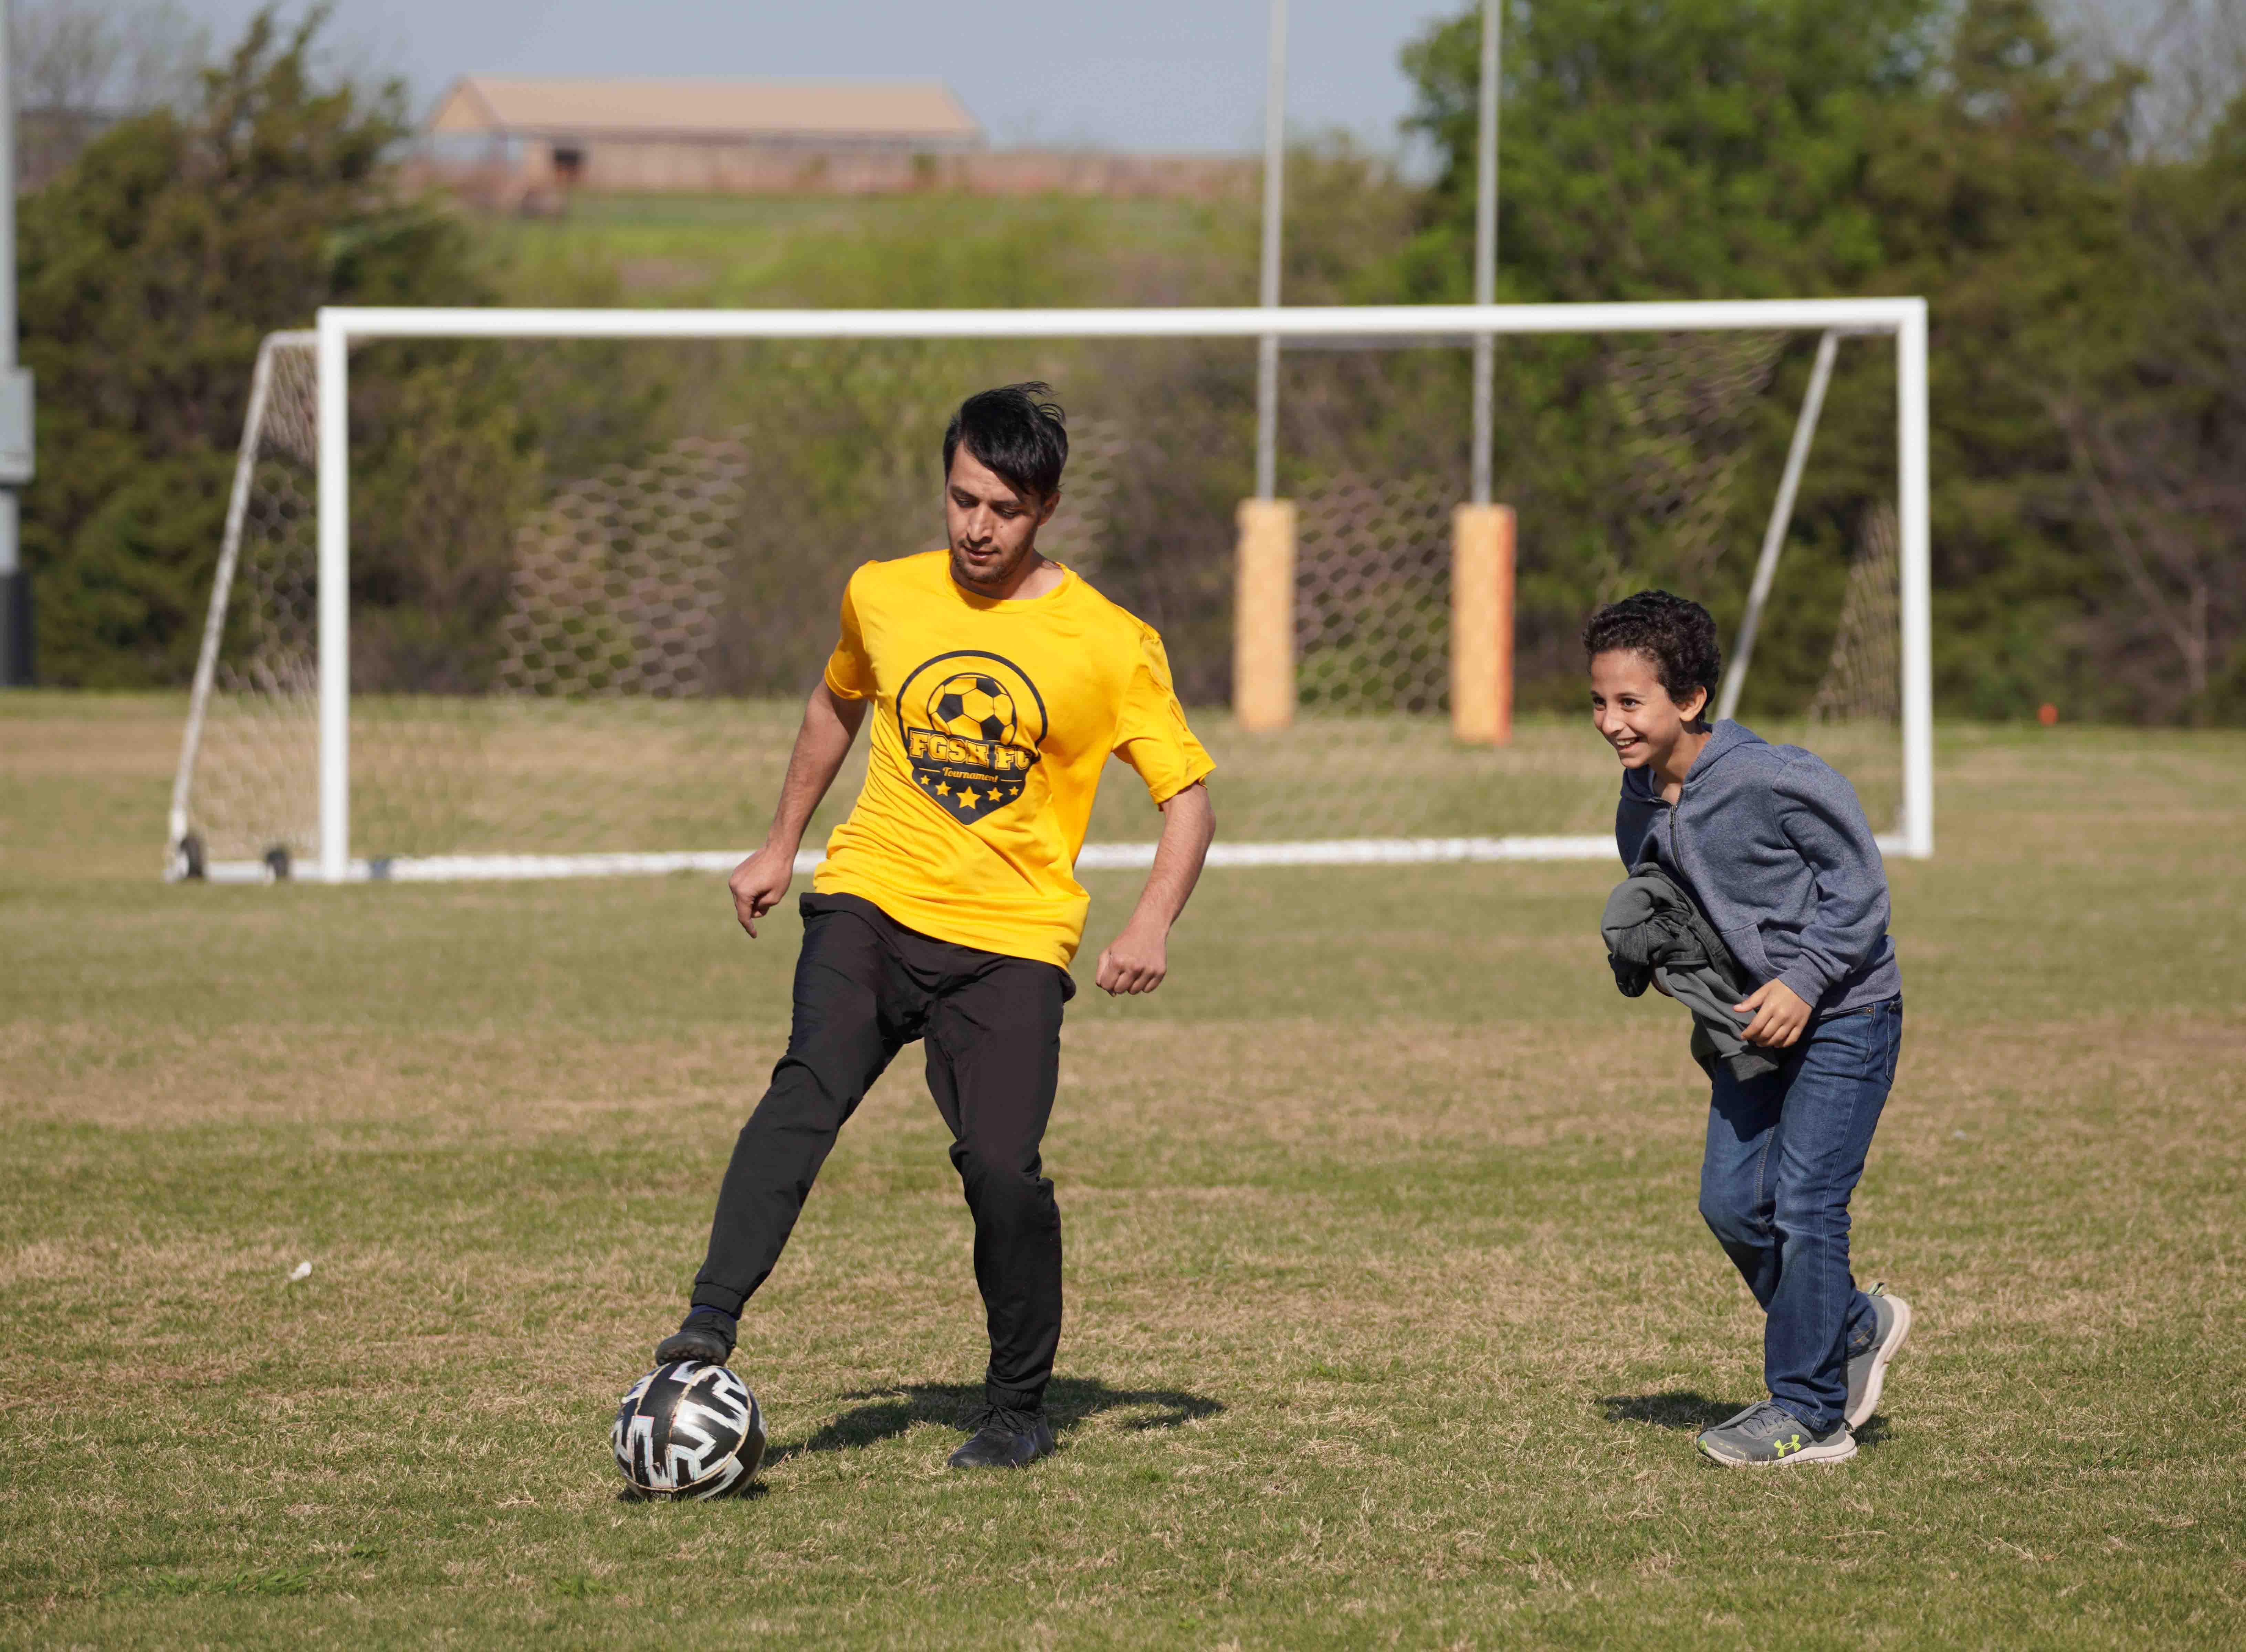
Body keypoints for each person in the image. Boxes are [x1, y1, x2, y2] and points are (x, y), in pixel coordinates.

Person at [653, 383, 1217, 1471]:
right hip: (871, 898)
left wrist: (1150, 925)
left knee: (1002, 1167)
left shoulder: (1110, 642)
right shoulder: (882, 594)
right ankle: (704, 1331)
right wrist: (780, 843)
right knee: (804, 1091)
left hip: (1010, 940)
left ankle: (1013, 1411)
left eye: (1002, 508)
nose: (974, 527)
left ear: (1044, 506)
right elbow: (837, 700)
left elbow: (1186, 799)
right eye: (961, 499)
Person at [1584, 590, 1910, 1468]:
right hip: (1749, 1031)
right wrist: (1646, 946)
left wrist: (1802, 982)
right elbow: (1678, 902)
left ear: (1688, 700)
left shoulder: (1775, 777)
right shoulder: (1638, 801)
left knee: (1806, 1207)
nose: (1611, 722)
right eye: (1599, 702)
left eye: (1629, 702)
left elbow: (1861, 891)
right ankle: (1849, 1323)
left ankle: (1810, 1413)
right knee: (1730, 1206)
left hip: (1846, 1012)